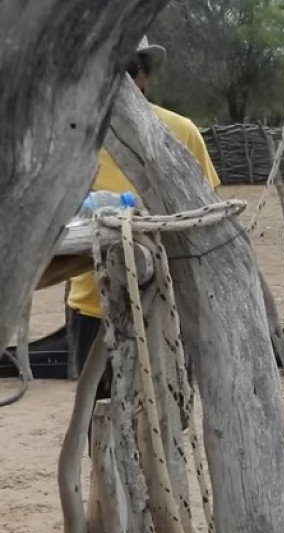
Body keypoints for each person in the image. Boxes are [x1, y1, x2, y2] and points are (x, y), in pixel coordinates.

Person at [66, 35, 222, 397]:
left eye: (129, 68)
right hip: (94, 307)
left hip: (169, 304)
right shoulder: (73, 140)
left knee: (168, 426)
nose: (121, 81)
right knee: (101, 422)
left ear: (144, 76)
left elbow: (207, 219)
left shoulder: (181, 132)